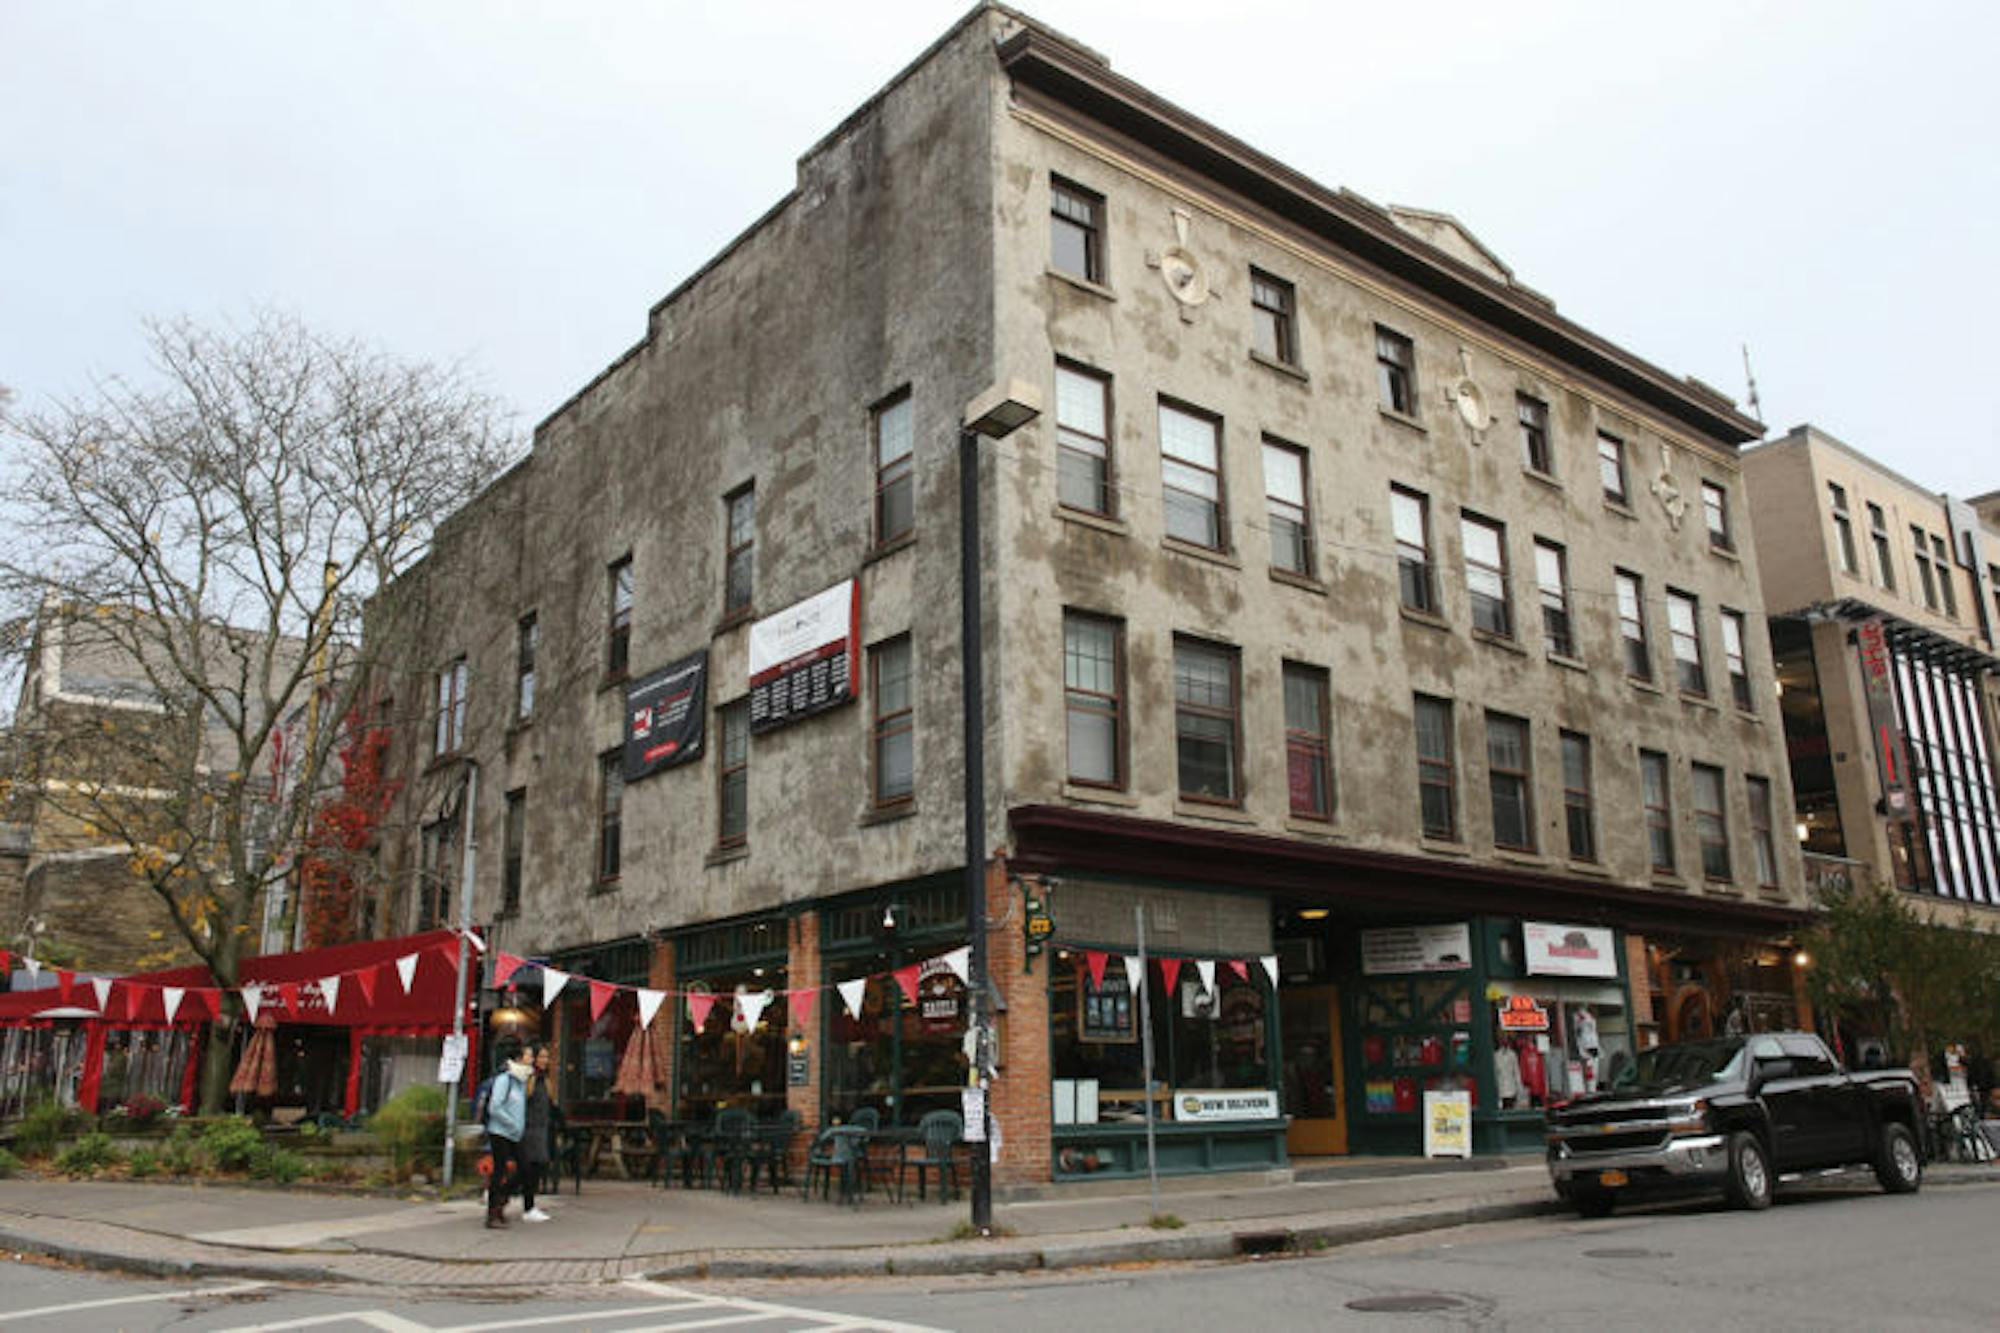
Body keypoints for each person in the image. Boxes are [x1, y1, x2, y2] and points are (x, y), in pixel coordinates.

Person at [482, 1038, 531, 1230]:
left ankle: (502, 1196)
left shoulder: (521, 1082)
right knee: (500, 1170)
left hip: (515, 1133)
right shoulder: (505, 1080)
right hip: (500, 1132)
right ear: (519, 1058)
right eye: (528, 1055)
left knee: (526, 1169)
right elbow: (495, 1106)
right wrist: (511, 1123)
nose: (531, 1059)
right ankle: (493, 1212)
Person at [518, 1041, 556, 1223]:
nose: (545, 1060)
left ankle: (527, 1204)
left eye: (546, 1057)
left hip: (542, 1127)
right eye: (541, 1056)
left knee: (537, 1166)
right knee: (530, 1167)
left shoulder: (545, 1080)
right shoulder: (529, 1079)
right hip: (529, 1128)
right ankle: (527, 1205)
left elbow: (550, 1104)